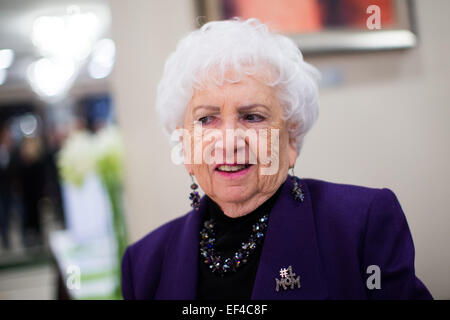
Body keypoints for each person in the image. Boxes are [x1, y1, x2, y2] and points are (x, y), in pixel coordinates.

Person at [121, 18, 432, 300]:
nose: (229, 143)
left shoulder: (361, 225)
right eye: (206, 120)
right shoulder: (144, 264)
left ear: (291, 139)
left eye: (252, 116)